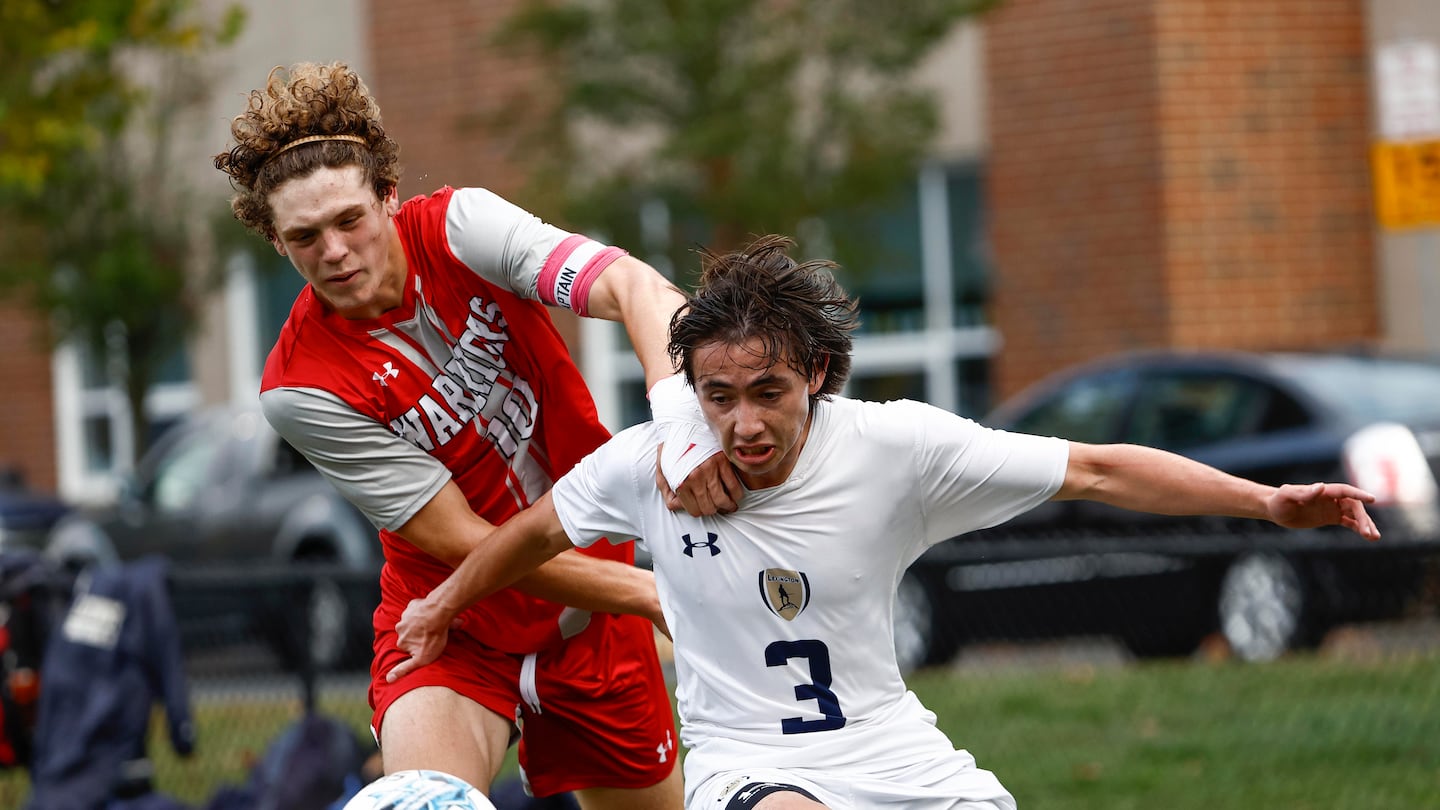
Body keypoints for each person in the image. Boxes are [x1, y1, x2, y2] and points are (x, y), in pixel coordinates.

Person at [387, 234, 1382, 810]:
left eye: (766, 391)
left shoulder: (896, 449)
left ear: (815, 374)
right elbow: (534, 532)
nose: (741, 422)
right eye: (718, 395)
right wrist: (440, 603)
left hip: (894, 754)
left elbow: (1096, 467)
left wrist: (1264, 501)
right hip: (754, 771)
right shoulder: (657, 463)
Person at [213, 61, 743, 809]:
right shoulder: (298, 389)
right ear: (276, 242)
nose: (333, 250)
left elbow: (635, 287)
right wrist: (649, 592)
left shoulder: (463, 228)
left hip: (593, 623)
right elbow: (464, 542)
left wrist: (683, 426)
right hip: (450, 624)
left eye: (348, 219)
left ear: (388, 198)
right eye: (304, 236)